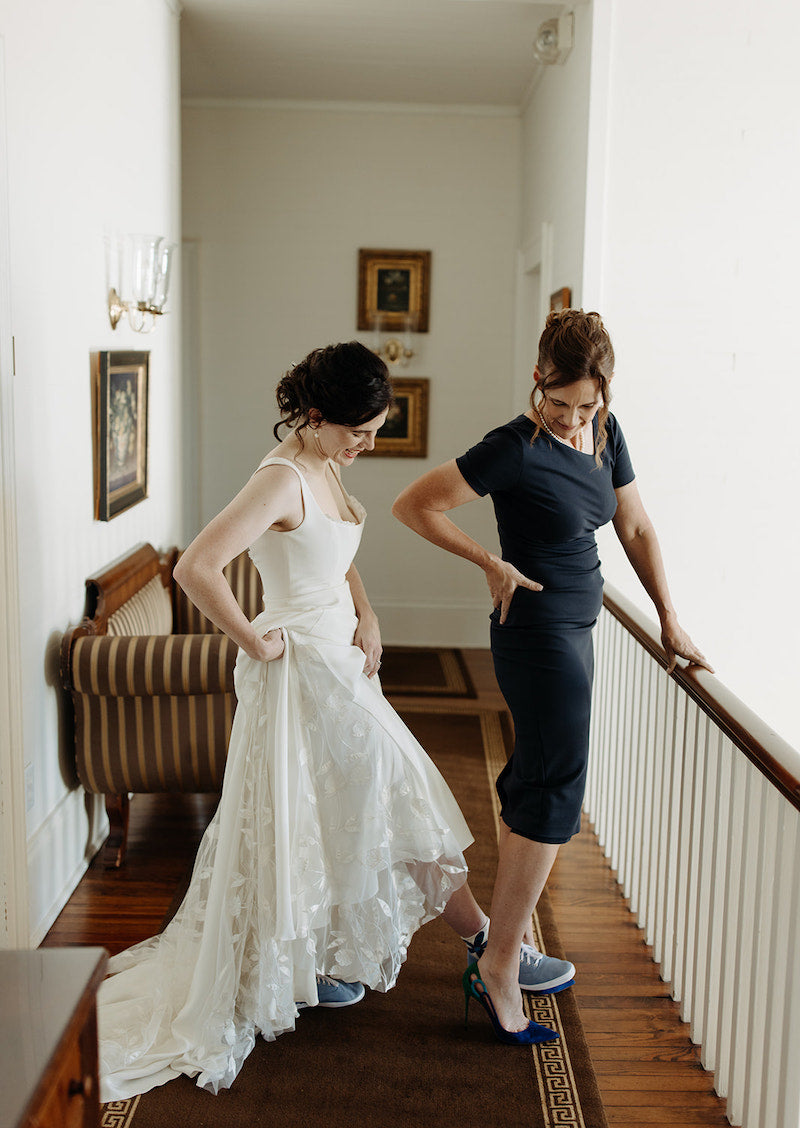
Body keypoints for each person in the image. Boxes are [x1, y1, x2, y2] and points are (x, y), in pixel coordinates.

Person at [96, 342, 564, 1102]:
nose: (369, 446)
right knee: (400, 803)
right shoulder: (279, 477)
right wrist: (256, 639)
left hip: (343, 670)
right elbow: (197, 568)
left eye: (375, 431)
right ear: (315, 418)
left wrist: (369, 613)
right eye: (361, 431)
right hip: (304, 678)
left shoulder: (323, 467)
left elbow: (336, 552)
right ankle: (487, 946)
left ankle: (362, 958)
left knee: (350, 816)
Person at [392, 309, 711, 1040]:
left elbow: (633, 526)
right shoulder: (513, 447)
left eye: (586, 406)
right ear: (537, 379)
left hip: (579, 628)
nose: (571, 420)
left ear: (605, 395)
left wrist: (670, 617)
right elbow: (416, 505)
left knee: (535, 778)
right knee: (557, 785)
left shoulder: (608, 432)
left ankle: (506, 944)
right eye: (558, 403)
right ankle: (500, 962)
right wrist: (491, 563)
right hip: (535, 633)